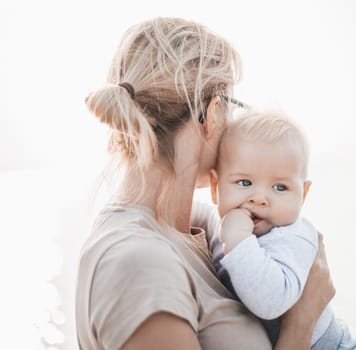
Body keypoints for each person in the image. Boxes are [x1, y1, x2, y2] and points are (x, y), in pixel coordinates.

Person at [75, 17, 336, 350]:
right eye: (232, 106)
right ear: (212, 114)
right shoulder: (139, 265)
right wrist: (302, 322)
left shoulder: (190, 228)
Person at [208, 111, 356, 349]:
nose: (260, 198)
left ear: (304, 195)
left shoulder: (293, 237)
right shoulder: (228, 222)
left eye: (280, 187)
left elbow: (269, 302)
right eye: (245, 183)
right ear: (215, 187)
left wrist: (237, 239)